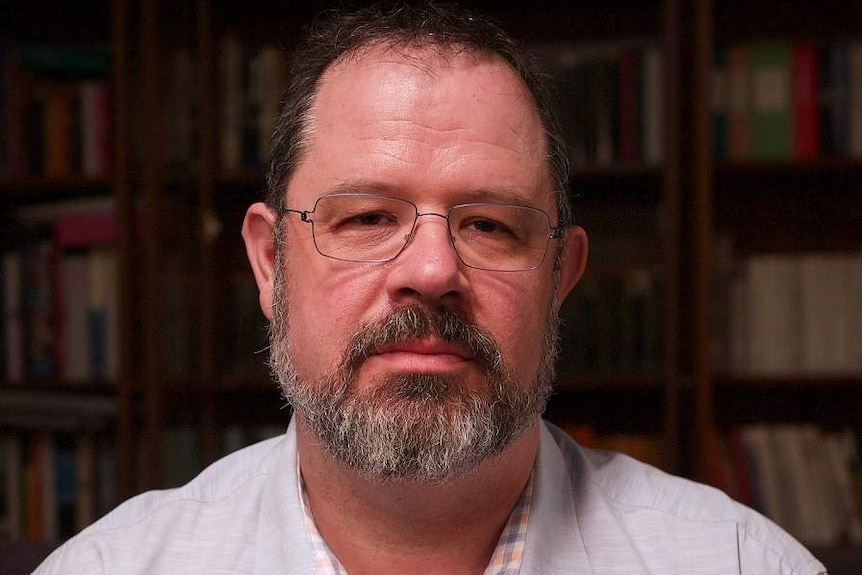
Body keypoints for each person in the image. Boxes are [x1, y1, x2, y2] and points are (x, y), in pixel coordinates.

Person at [35, 2, 826, 574]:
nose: (433, 270)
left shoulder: (739, 563)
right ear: (270, 264)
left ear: (561, 276)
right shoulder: (113, 566)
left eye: (489, 225)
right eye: (369, 217)